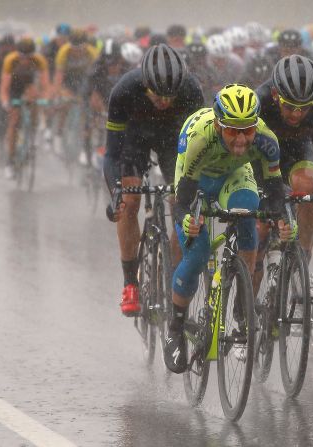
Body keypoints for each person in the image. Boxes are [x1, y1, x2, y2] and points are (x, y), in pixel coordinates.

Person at [163, 85, 295, 373]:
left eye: (247, 131)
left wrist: (285, 219)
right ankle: (175, 326)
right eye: (232, 131)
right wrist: (186, 218)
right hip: (196, 179)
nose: (240, 139)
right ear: (219, 124)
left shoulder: (267, 141)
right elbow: (182, 200)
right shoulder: (201, 138)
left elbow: (274, 191)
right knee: (197, 254)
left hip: (234, 174)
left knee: (248, 211)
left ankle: (241, 305)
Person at [103, 44, 204, 316]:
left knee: (179, 204)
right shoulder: (124, 90)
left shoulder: (191, 90)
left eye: (170, 96)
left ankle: (171, 275)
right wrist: (116, 192)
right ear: (144, 83)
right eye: (156, 95)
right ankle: (130, 283)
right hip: (134, 141)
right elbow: (112, 154)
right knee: (131, 200)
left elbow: (201, 145)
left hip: (174, 142)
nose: (163, 101)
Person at [254, 55, 313, 296]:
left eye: (303, 108)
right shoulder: (260, 101)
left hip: (298, 153)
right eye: (289, 106)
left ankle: (302, 262)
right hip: (260, 159)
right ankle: (247, 301)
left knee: (309, 188)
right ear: (275, 94)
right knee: (260, 227)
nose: (296, 114)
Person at [0, 37, 51, 178]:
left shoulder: (39, 61)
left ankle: (33, 129)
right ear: (18, 54)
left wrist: (45, 100)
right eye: (22, 57)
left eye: (29, 57)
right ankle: (10, 161)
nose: (26, 61)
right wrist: (5, 102)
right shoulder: (11, 60)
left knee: (34, 96)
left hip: (29, 86)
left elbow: (45, 85)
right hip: (14, 87)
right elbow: (4, 87)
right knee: (14, 120)